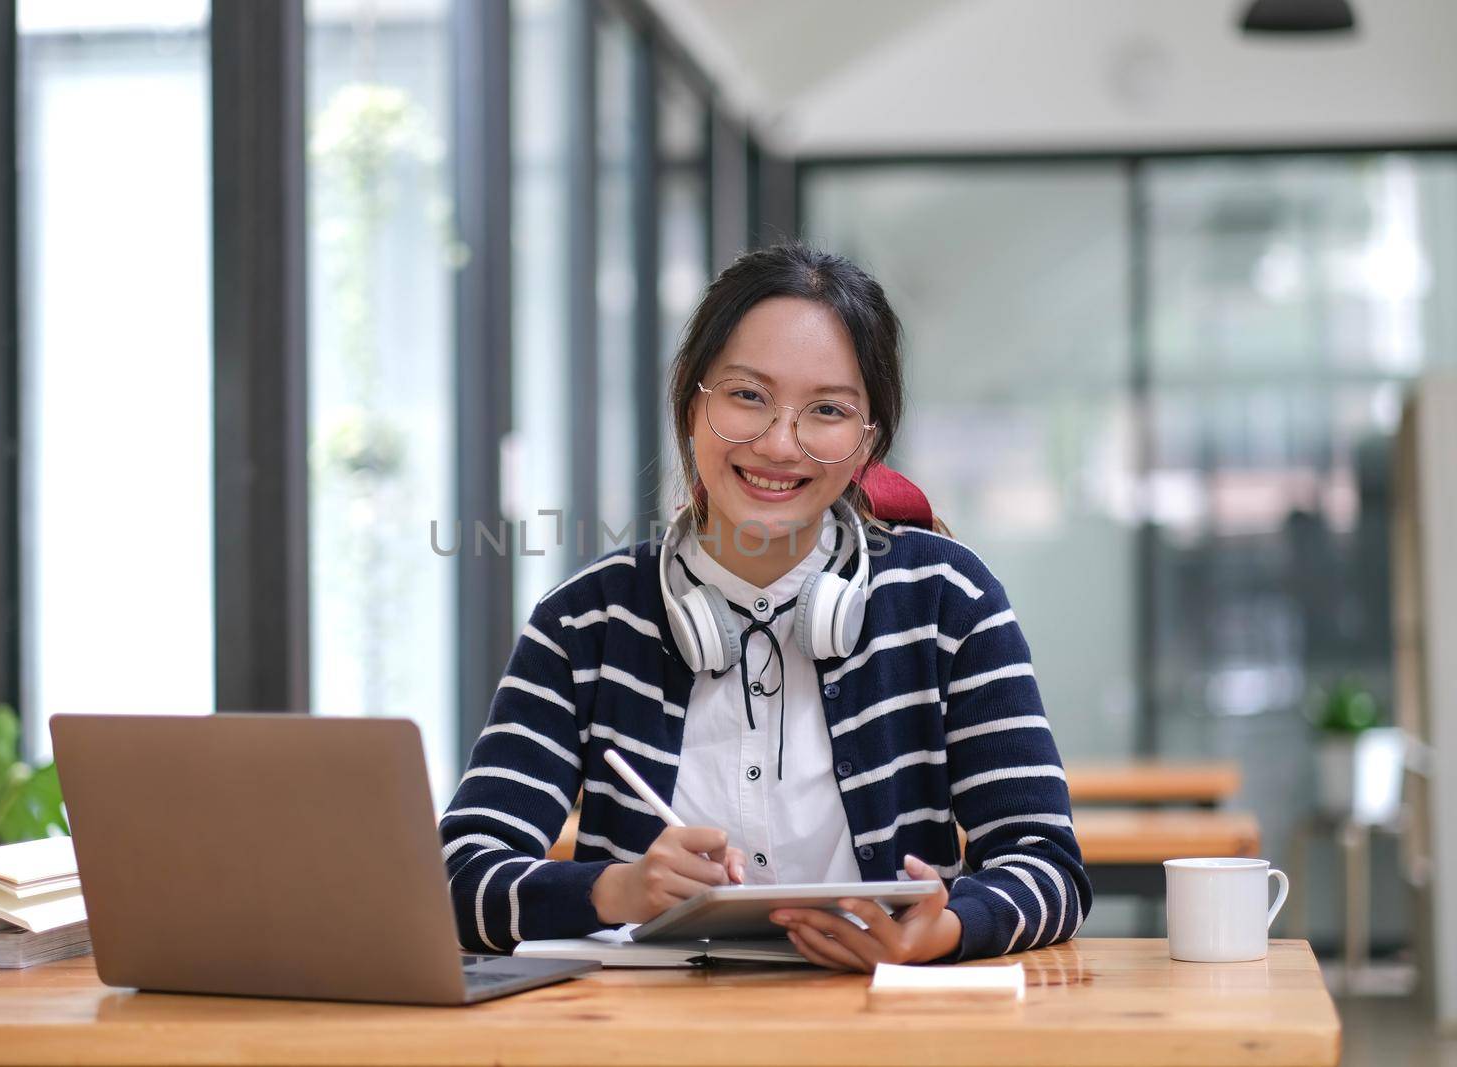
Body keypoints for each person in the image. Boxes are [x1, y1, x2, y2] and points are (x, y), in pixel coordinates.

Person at [440, 243, 1090, 968]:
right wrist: (614, 890)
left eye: (827, 410)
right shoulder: (585, 622)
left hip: (886, 1031)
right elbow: (454, 879)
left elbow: (1048, 867)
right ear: (693, 405)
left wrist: (945, 929)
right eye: (748, 395)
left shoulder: (949, 601)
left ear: (866, 439)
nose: (781, 443)